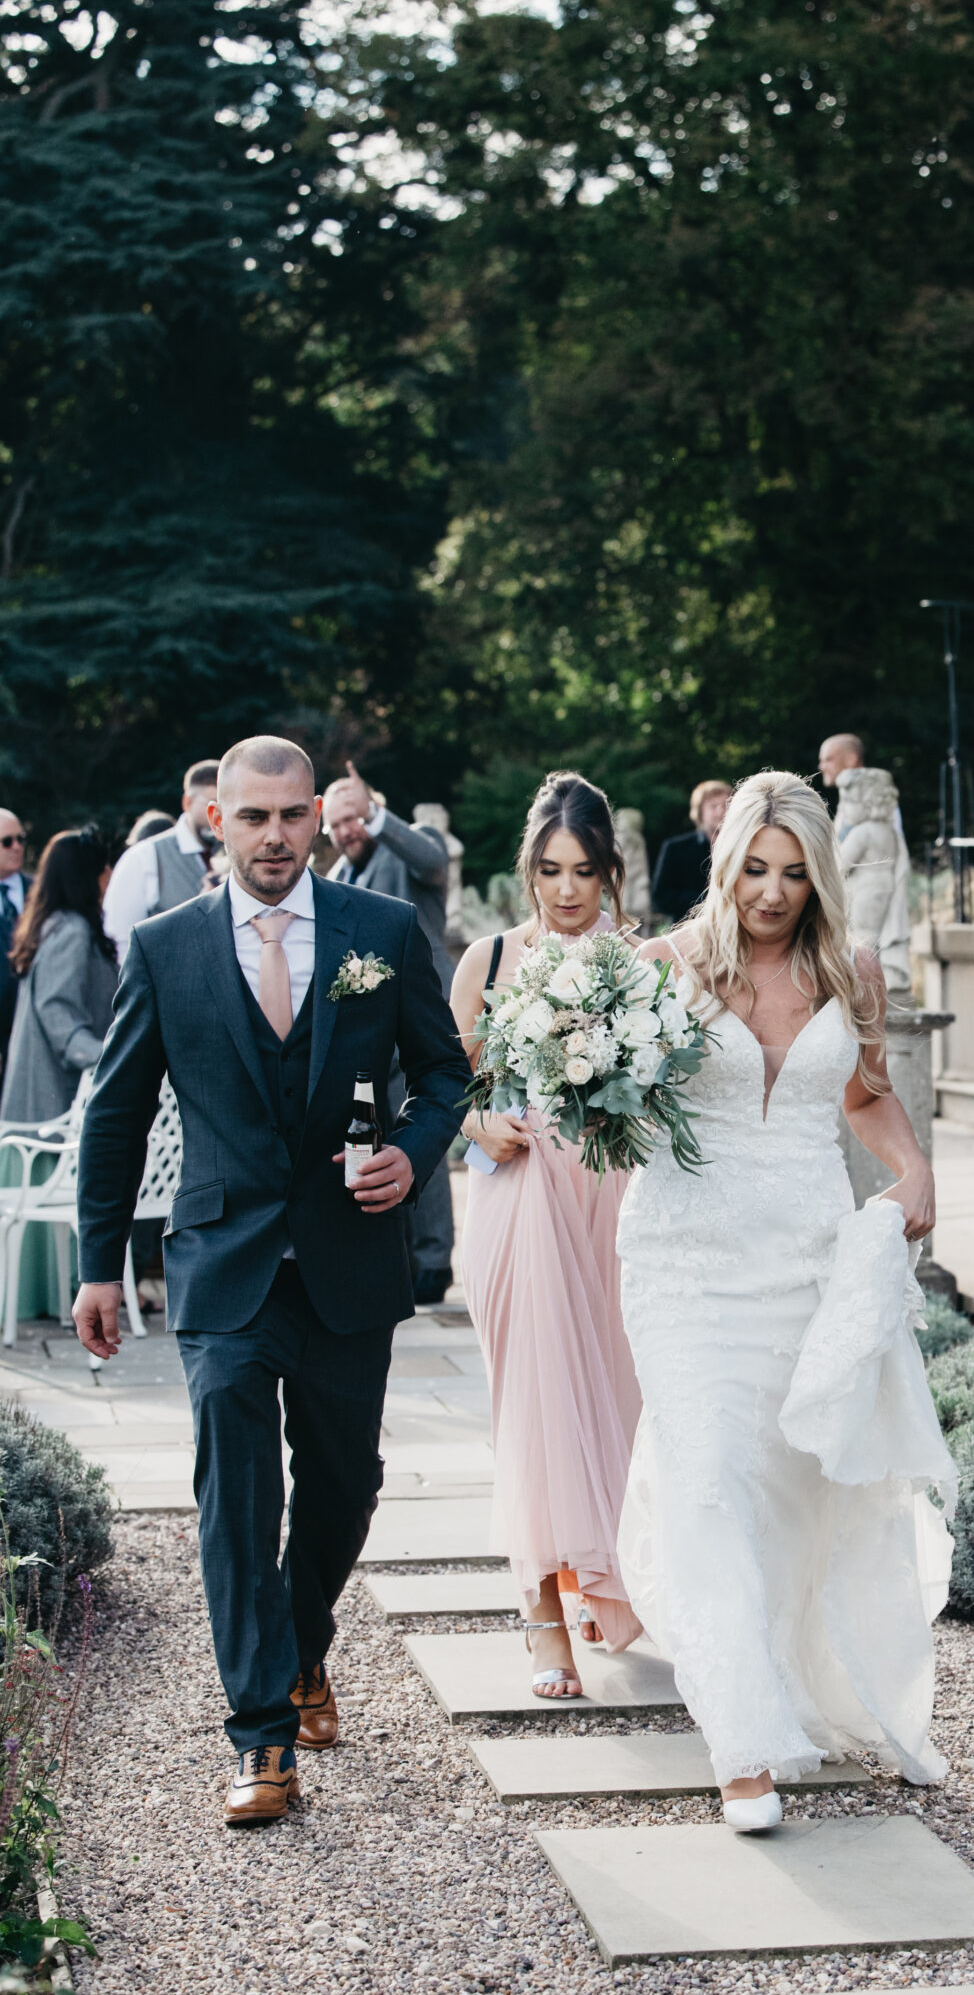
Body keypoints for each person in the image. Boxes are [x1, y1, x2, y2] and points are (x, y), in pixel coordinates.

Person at [72, 737, 468, 1828]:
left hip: (350, 1259)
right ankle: (260, 1737)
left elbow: (444, 1072)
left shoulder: (381, 930)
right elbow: (115, 1113)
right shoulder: (166, 947)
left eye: (294, 815)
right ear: (218, 820)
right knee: (236, 1496)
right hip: (221, 1263)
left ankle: (302, 1647)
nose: (276, 836)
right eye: (254, 817)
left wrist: (411, 1151)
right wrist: (99, 1264)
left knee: (345, 1482)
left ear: (318, 817)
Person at [616, 770, 947, 1831]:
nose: (770, 892)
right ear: (725, 865)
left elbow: (865, 1093)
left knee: (796, 1492)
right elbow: (609, 1103)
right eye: (754, 869)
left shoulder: (850, 971)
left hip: (805, 1261)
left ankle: (803, 1680)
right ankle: (744, 1746)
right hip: (682, 1261)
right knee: (709, 1478)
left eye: (794, 873)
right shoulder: (663, 968)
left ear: (819, 877)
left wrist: (914, 1168)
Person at [450, 772, 643, 1695]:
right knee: (531, 1400)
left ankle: (603, 1578)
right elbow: (444, 1085)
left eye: (585, 871)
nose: (567, 890)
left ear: (609, 872)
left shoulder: (641, 963)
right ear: (528, 868)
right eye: (551, 870)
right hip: (517, 1196)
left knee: (612, 1390)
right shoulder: (487, 960)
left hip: (610, 1197)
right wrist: (477, 1122)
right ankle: (542, 1621)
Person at [324, 765, 458, 1307]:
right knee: (381, 1139)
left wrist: (376, 815)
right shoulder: (337, 876)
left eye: (354, 817)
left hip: (423, 1021)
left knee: (422, 1132)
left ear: (373, 809)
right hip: (369, 1031)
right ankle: (403, 1254)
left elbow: (435, 861)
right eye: (336, 824)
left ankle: (434, 1260)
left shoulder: (410, 847)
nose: (347, 830)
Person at [0, 826, 117, 1125]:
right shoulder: (70, 931)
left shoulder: (61, 925)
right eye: (103, 866)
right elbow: (58, 1012)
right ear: (85, 875)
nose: (109, 873)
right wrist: (111, 1055)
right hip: (54, 1110)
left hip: (57, 1104)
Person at [103, 761, 222, 959]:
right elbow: (122, 939)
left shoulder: (239, 856)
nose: (220, 815)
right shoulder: (145, 856)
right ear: (187, 802)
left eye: (227, 805)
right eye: (211, 804)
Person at [650, 782, 731, 927]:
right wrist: (708, 898)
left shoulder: (745, 847)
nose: (721, 812)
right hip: (687, 929)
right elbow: (661, 898)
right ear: (700, 812)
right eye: (713, 806)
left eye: (725, 805)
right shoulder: (676, 848)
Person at [0, 808, 32, 1064]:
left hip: (28, 1019)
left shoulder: (40, 892)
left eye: (20, 839)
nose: (17, 847)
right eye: (7, 841)